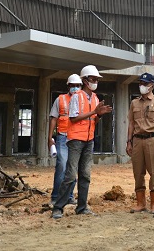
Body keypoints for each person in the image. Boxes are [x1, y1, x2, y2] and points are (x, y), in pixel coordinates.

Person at [52, 65, 112, 219]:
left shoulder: (96, 98)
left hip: (88, 140)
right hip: (75, 141)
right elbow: (73, 118)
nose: (95, 82)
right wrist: (94, 112)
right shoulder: (77, 97)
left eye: (97, 79)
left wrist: (100, 115)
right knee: (70, 175)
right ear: (85, 80)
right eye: (93, 79)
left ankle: (82, 207)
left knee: (85, 175)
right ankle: (58, 208)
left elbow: (93, 121)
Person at [126, 72, 154, 213]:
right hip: (137, 140)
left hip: (153, 139)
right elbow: (131, 123)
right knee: (138, 172)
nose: (141, 86)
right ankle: (140, 203)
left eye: (145, 84)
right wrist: (128, 141)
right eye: (140, 83)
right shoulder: (134, 102)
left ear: (151, 86)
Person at [47, 74, 81, 205]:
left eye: (77, 86)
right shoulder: (60, 99)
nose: (75, 88)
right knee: (61, 166)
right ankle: (55, 197)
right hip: (62, 137)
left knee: (72, 168)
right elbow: (53, 118)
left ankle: (69, 196)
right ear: (68, 86)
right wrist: (50, 137)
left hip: (77, 137)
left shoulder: (82, 100)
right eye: (72, 86)